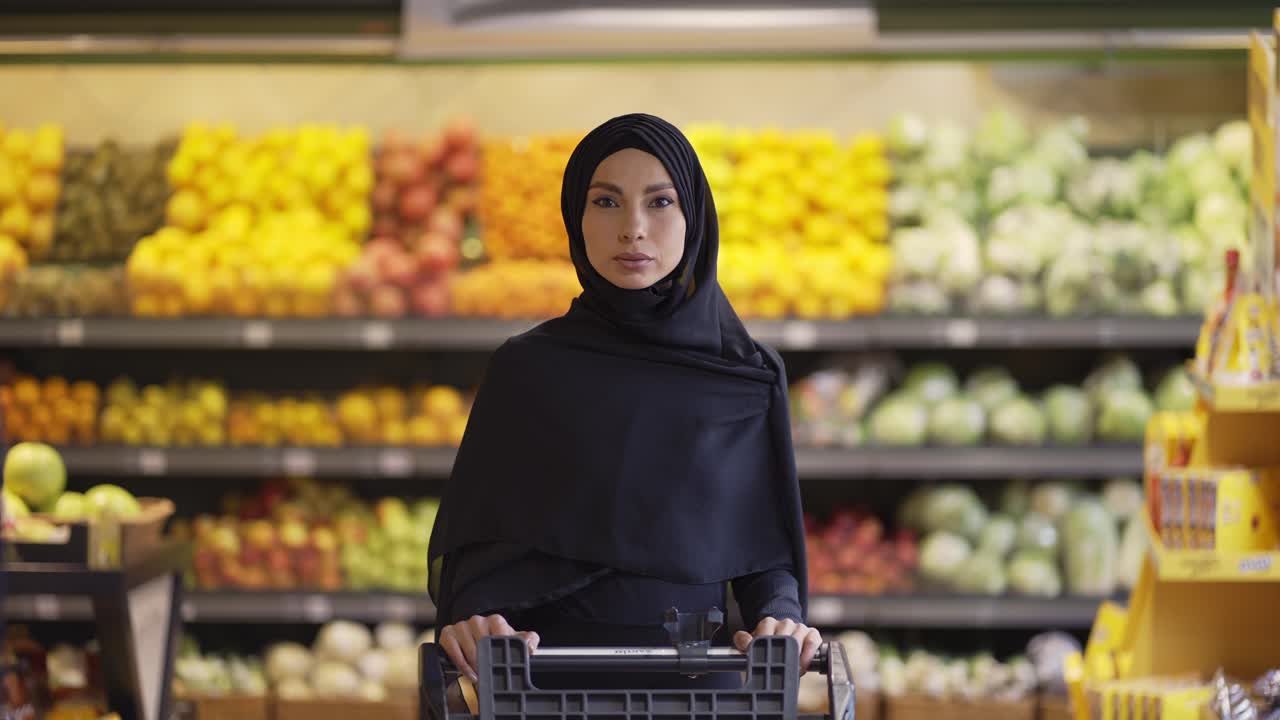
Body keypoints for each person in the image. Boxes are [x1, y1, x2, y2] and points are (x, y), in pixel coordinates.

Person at [427, 113, 817, 691]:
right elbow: (483, 549)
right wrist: (472, 619)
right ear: (575, 218)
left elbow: (761, 551)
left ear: (695, 218)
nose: (633, 228)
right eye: (606, 203)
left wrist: (783, 618)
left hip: (700, 685)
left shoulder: (746, 376)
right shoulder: (526, 370)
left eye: (660, 203)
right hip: (546, 685)